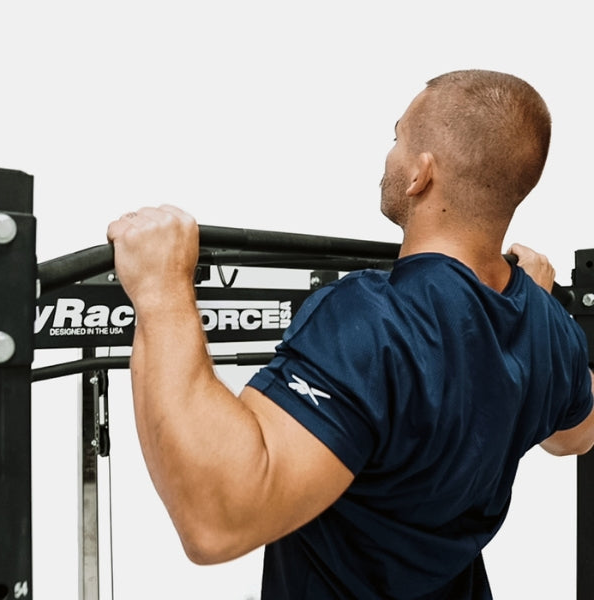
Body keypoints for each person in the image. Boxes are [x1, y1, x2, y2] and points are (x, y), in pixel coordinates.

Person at [107, 69, 594, 599]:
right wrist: (539, 314)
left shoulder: (372, 318)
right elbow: (575, 435)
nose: (389, 155)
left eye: (398, 138)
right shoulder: (549, 330)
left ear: (420, 175)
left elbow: (215, 521)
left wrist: (161, 290)